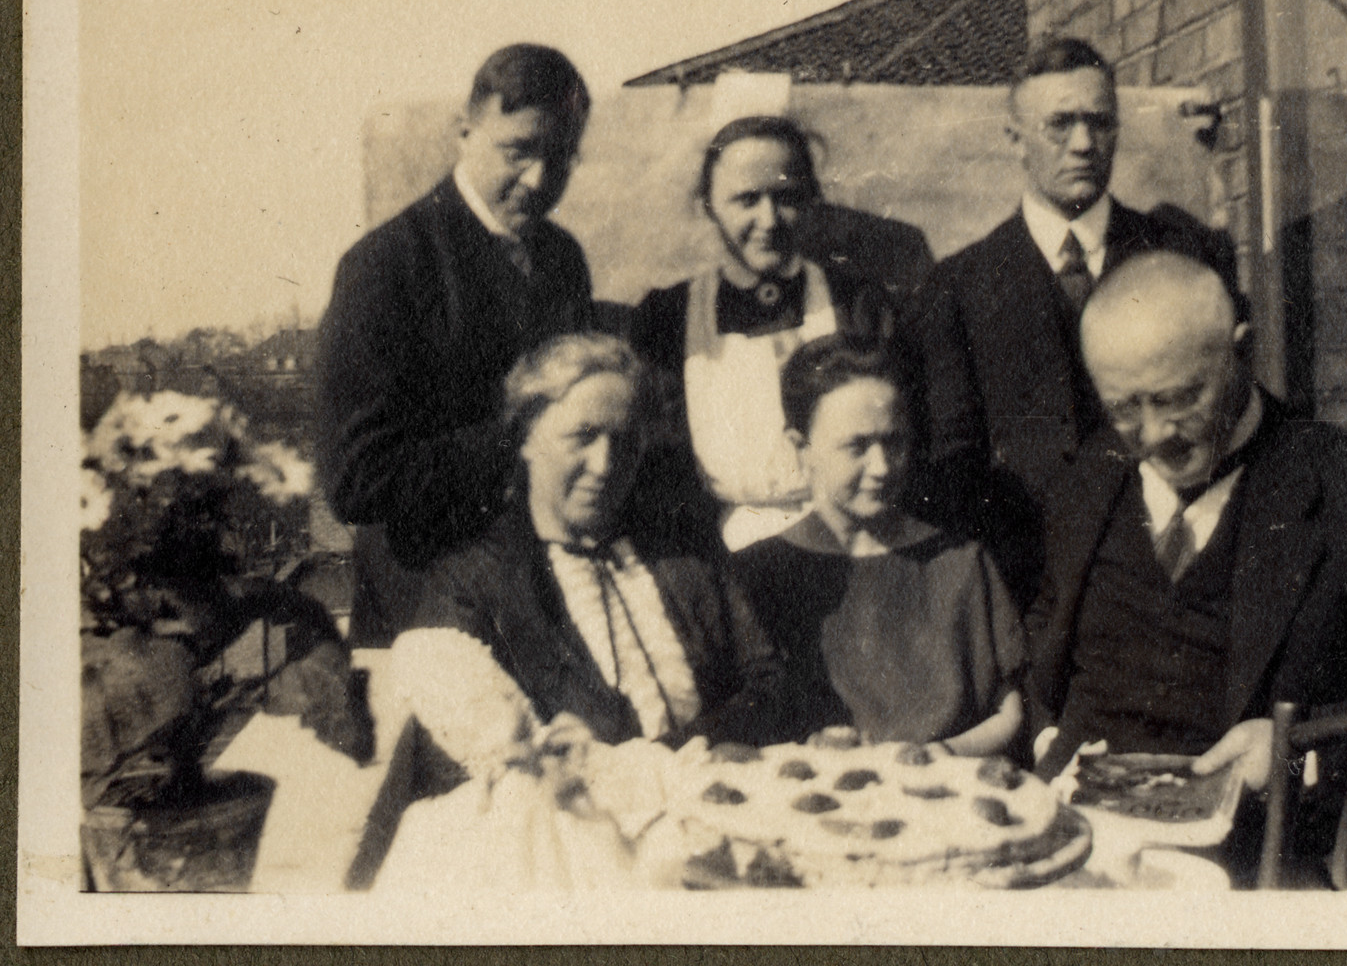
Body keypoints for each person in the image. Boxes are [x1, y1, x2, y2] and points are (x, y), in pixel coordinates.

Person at [1024, 250, 1347, 884]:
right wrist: (1046, 745)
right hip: (1077, 858)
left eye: (1180, 398)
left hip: (1262, 867)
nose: (1154, 433)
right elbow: (1044, 656)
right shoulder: (1087, 482)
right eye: (1123, 409)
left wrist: (1292, 755)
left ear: (1243, 352)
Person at [904, 37, 1231, 610]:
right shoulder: (959, 286)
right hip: (1031, 589)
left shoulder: (1183, 255)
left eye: (1100, 123)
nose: (1083, 144)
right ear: (1015, 140)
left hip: (1173, 579)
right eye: (1060, 124)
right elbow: (952, 470)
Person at [318, 44, 609, 649]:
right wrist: (521, 445)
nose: (538, 180)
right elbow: (356, 480)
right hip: (426, 598)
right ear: (465, 130)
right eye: (518, 152)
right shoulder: (385, 267)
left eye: (559, 158)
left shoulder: (561, 260)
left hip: (542, 593)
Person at [391, 332, 791, 760]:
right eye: (583, 436)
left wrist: (683, 756)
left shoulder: (683, 547)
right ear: (527, 437)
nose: (604, 466)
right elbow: (473, 754)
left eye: (624, 441)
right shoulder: (472, 585)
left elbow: (767, 681)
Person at [730, 335, 1026, 756]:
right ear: (801, 448)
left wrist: (937, 757)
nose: (882, 467)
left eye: (894, 442)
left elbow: (1010, 714)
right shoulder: (757, 576)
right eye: (857, 446)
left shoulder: (958, 561)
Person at [630, 116, 893, 554]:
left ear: (811, 200)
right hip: (723, 552)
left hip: (844, 542)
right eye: (746, 200)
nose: (768, 220)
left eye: (785, 197)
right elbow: (660, 467)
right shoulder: (669, 318)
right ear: (708, 205)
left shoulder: (856, 304)